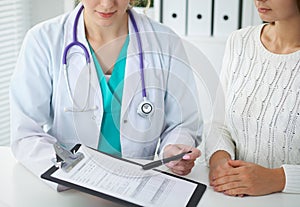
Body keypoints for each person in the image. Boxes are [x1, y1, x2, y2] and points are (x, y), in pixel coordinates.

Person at [10, 0, 202, 191]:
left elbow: (183, 122)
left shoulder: (165, 41)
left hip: (136, 188)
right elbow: (26, 133)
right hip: (70, 188)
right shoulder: (43, 40)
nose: (107, 4)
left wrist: (173, 149)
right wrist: (69, 169)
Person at [205, 0, 300, 196]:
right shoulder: (240, 41)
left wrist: (279, 179)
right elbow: (219, 123)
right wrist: (220, 161)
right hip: (231, 198)